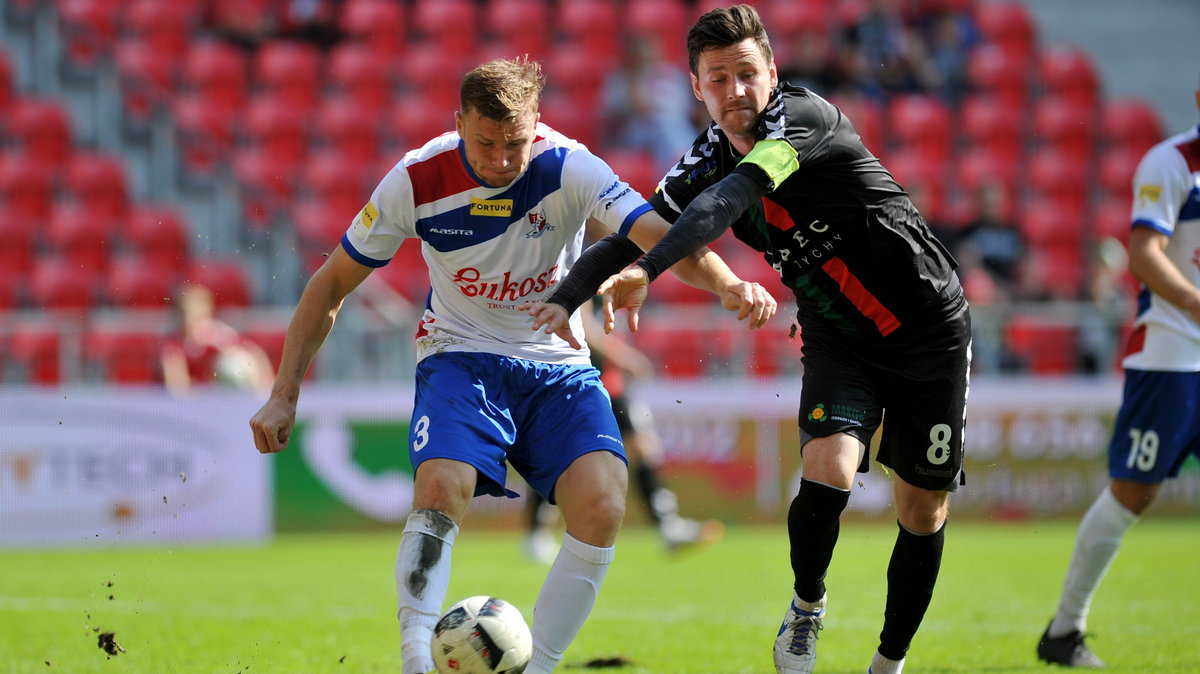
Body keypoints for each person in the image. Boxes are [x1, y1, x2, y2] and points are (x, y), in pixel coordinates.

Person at [248, 57, 775, 674]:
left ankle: (540, 667)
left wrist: (727, 282)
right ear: (459, 124)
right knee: (442, 488)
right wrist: (284, 392)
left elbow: (659, 233)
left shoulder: (569, 166)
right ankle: (416, 660)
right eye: (485, 143)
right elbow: (330, 284)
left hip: (559, 365)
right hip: (460, 355)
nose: (500, 159)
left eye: (514, 144)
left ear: (538, 126)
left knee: (603, 505)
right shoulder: (415, 180)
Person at [523, 7, 971, 674]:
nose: (736, 90)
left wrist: (647, 271)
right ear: (696, 88)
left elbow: (729, 200)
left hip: (929, 328)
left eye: (747, 75)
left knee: (922, 509)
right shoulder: (701, 155)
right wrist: (564, 297)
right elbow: (626, 230)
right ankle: (807, 607)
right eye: (718, 78)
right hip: (837, 335)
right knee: (829, 471)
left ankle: (889, 662)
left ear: (772, 75)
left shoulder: (806, 120)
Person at [1036, 82, 1199, 668]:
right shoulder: (1172, 162)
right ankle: (1064, 629)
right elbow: (1143, 253)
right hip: (1171, 357)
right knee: (1135, 490)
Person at [524, 289, 724, 563]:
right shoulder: (584, 264)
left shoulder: (618, 269)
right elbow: (583, 325)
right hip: (578, 381)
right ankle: (536, 534)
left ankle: (668, 526)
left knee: (643, 447)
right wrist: (624, 357)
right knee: (556, 455)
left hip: (612, 383)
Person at [160, 282, 274, 393]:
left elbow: (255, 354)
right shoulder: (173, 343)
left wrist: (265, 389)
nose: (190, 318)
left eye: (197, 312)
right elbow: (177, 387)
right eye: (185, 312)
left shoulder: (219, 335)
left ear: (208, 311)